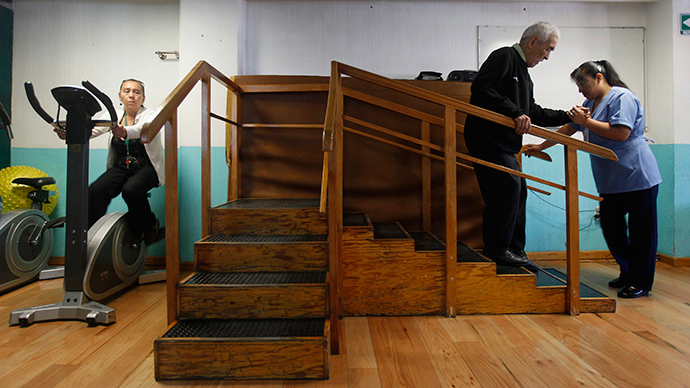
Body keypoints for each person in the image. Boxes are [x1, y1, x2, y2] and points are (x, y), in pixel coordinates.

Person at [525, 61, 661, 298]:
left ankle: (639, 281)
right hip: (611, 181)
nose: (580, 90)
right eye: (578, 85)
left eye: (583, 83)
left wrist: (586, 122)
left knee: (642, 233)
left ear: (599, 78)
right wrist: (540, 145)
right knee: (612, 229)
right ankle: (629, 271)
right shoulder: (590, 103)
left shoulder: (622, 97)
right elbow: (569, 128)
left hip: (638, 176)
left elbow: (621, 133)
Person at [463, 22, 571, 269]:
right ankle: (498, 250)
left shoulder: (524, 74)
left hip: (504, 144)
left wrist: (567, 116)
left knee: (517, 190)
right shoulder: (504, 56)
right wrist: (514, 112)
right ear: (533, 41)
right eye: (548, 49)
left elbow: (531, 112)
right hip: (488, 140)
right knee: (508, 190)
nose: (547, 56)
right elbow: (481, 88)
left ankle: (515, 250)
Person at [56, 79, 165, 245]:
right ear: (120, 97)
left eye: (136, 92)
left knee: (131, 190)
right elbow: (91, 131)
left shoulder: (150, 115)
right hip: (122, 167)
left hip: (146, 167)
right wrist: (70, 133)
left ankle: (149, 226)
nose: (131, 96)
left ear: (143, 99)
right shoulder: (112, 115)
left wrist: (124, 131)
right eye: (127, 91)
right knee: (95, 190)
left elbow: (142, 129)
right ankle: (90, 234)